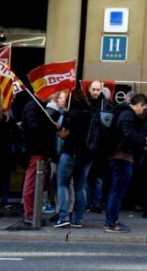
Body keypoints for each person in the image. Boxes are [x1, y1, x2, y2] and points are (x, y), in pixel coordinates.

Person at [105, 94, 147, 233]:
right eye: (144, 108)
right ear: (139, 105)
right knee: (118, 190)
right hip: (121, 157)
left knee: (117, 190)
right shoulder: (128, 115)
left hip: (120, 156)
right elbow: (127, 133)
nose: (143, 112)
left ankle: (112, 220)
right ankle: (111, 222)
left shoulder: (124, 113)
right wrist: (143, 140)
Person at [54, 90, 93, 228]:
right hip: (87, 155)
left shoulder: (70, 115)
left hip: (71, 152)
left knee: (62, 184)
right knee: (80, 187)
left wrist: (58, 129)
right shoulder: (90, 114)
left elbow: (63, 134)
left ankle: (63, 216)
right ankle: (78, 219)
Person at [20, 89, 58, 227]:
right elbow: (34, 128)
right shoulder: (32, 107)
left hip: (39, 151)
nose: (52, 94)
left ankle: (33, 214)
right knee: (31, 185)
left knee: (36, 185)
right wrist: (50, 125)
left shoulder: (37, 106)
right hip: (35, 151)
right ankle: (30, 215)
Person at [86, 80, 115, 213]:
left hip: (101, 147)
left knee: (98, 177)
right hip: (87, 145)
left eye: (98, 90)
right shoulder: (86, 104)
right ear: (89, 90)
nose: (96, 92)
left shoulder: (106, 105)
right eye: (94, 89)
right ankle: (86, 202)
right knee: (86, 176)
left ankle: (97, 203)